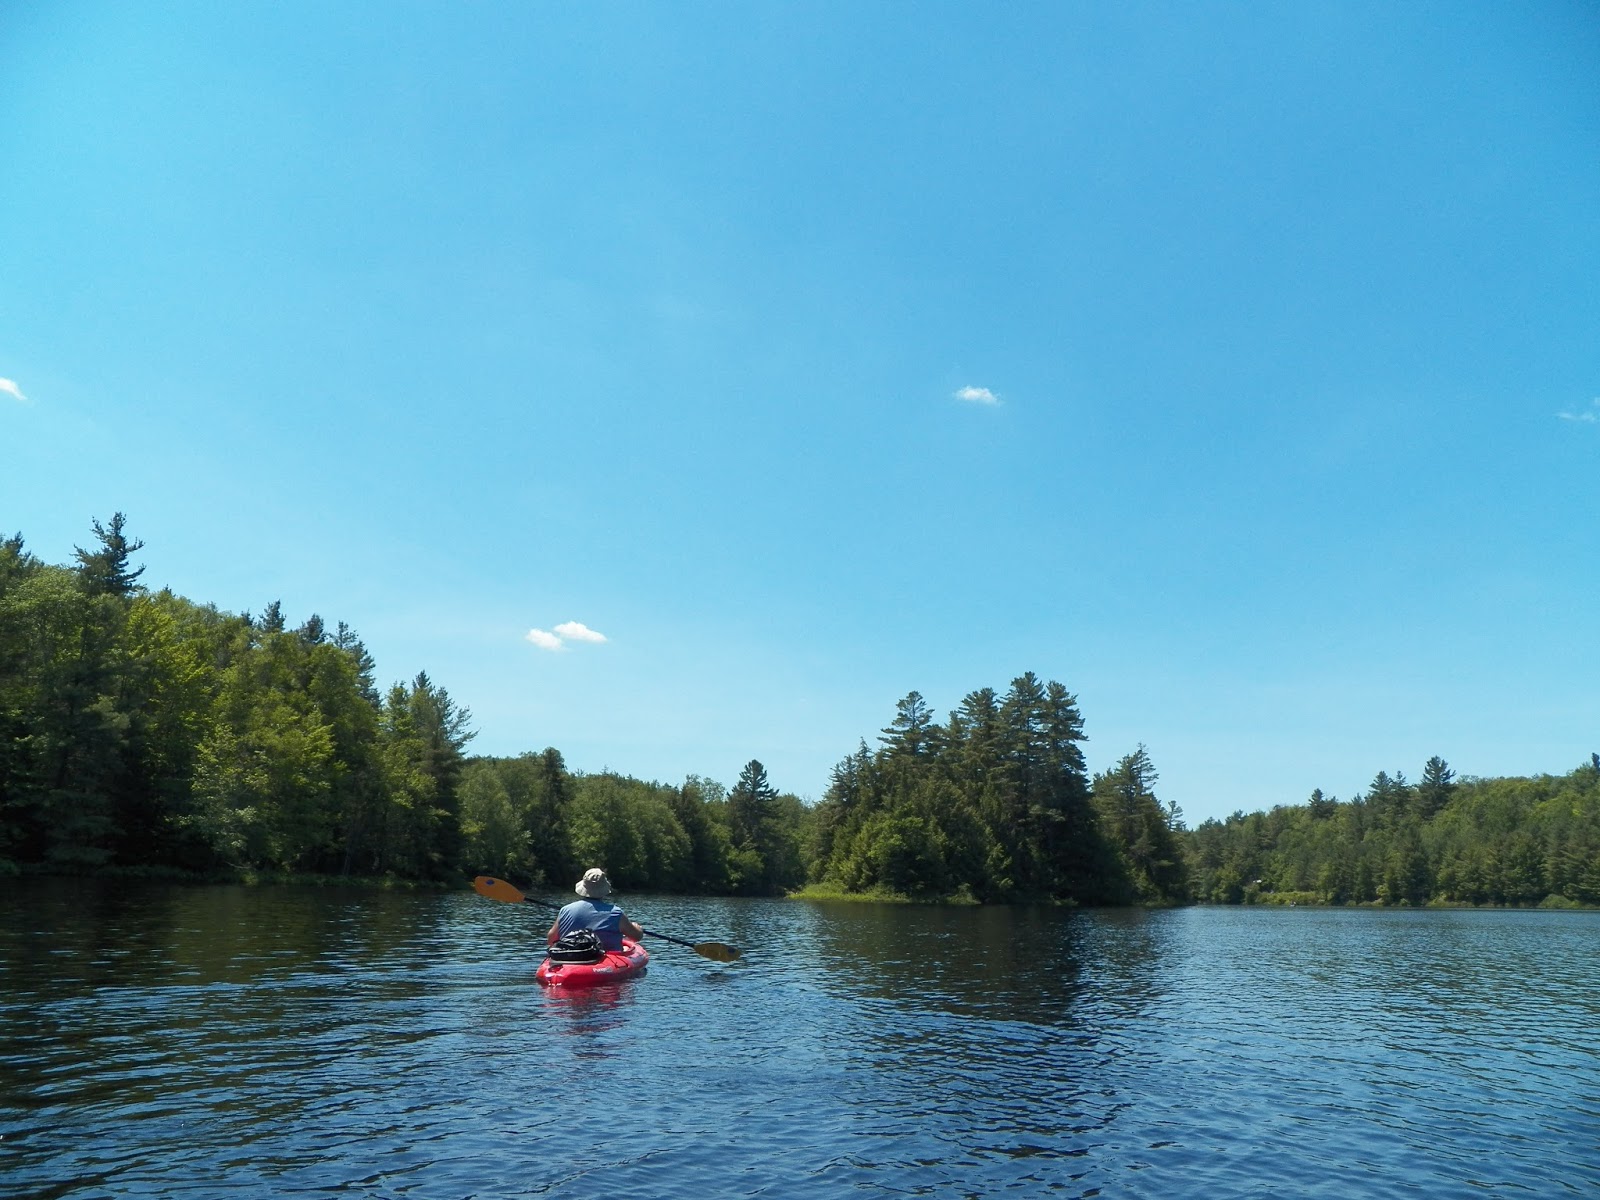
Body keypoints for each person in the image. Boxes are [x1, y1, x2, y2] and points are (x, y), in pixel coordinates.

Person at [547, 868, 644, 953]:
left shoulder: (565, 910)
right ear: (604, 889)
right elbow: (636, 936)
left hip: (570, 956)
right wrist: (637, 928)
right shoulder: (616, 912)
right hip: (606, 961)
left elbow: (551, 938)